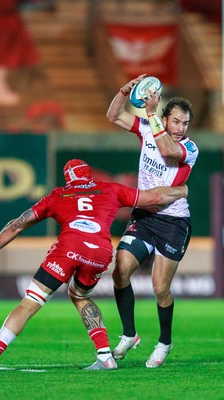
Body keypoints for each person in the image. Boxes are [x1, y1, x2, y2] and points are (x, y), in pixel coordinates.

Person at [0, 159, 187, 372]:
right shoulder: (110, 189)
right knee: (80, 295)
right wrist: (182, 190)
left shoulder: (58, 195)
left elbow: (17, 224)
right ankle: (105, 356)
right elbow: (155, 196)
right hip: (100, 252)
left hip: (69, 248)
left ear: (67, 178)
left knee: (31, 301)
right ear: (89, 175)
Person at [106, 75, 199, 368]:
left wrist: (150, 113)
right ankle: (130, 335)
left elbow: (168, 151)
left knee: (160, 288)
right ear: (167, 118)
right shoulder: (148, 128)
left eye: (185, 123)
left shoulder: (190, 149)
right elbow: (113, 115)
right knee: (120, 270)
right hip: (145, 218)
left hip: (173, 223)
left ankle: (164, 342)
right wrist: (124, 91)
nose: (181, 128)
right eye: (176, 122)